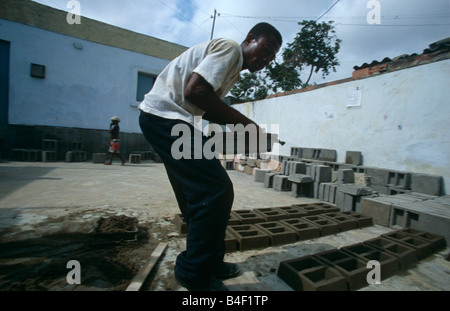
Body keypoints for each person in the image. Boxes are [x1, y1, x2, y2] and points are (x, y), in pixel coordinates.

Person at [138, 22, 282, 291]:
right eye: (266, 49)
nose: (266, 59)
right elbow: (195, 91)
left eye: (272, 57)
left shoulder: (234, 70)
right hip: (165, 118)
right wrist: (248, 126)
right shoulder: (229, 49)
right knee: (215, 190)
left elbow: (206, 106)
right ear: (250, 39)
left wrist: (246, 128)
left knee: (198, 194)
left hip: (172, 121)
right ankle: (194, 272)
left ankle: (209, 262)